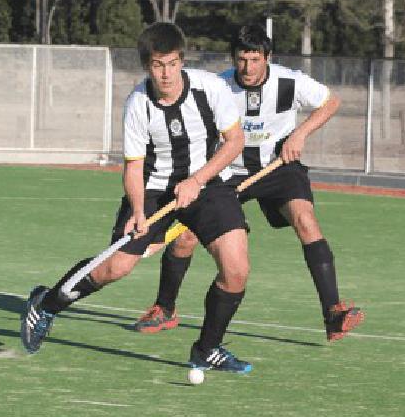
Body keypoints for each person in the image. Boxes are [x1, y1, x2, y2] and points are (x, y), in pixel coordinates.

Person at [21, 22, 254, 373]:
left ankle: (207, 349)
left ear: (182, 61)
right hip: (155, 188)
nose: (166, 74)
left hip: (208, 184)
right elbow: (133, 166)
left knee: (236, 269)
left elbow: (234, 141)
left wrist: (197, 180)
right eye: (158, 65)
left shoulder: (211, 88)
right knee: (117, 267)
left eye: (173, 64)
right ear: (147, 66)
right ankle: (48, 303)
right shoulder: (138, 104)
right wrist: (139, 209)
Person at [133, 25, 364, 342]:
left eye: (255, 59)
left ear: (267, 57)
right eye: (242, 59)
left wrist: (299, 134)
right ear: (233, 59)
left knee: (306, 220)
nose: (248, 68)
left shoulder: (289, 81)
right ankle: (164, 308)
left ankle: (333, 313)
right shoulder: (220, 86)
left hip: (278, 166)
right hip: (229, 170)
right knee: (186, 236)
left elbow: (331, 102)